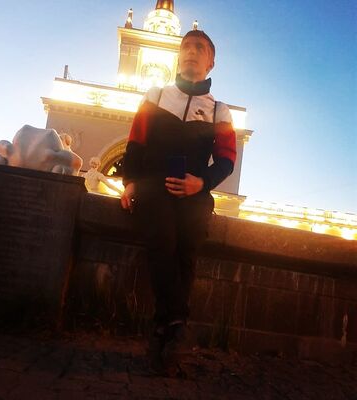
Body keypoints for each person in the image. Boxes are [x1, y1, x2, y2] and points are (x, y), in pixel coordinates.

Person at [120, 30, 237, 374]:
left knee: (187, 248)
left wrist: (201, 183)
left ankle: (164, 330)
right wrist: (129, 182)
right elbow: (136, 142)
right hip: (153, 185)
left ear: (211, 62)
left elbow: (226, 160)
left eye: (200, 48)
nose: (191, 51)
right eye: (186, 46)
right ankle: (177, 324)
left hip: (194, 191)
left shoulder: (219, 111)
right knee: (163, 241)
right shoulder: (156, 96)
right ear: (179, 55)